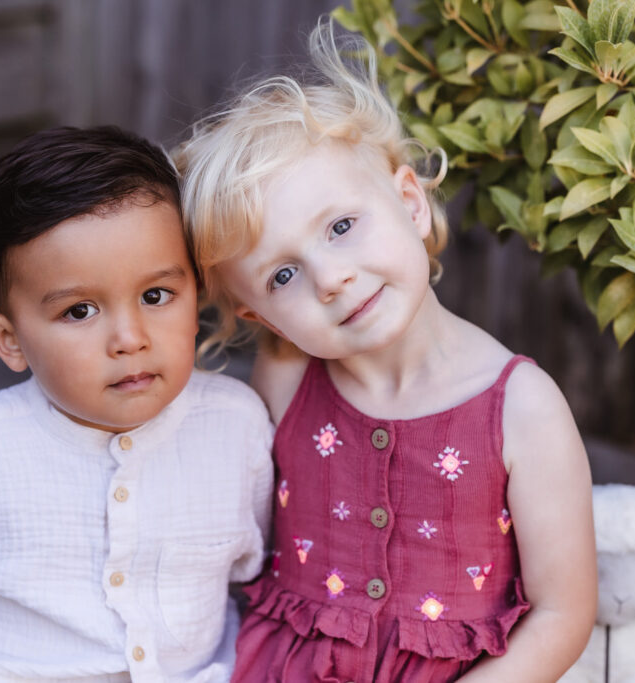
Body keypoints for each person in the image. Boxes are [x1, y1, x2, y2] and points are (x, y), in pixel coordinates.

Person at [173, 22, 597, 683]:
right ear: (261, 317)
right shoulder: (285, 381)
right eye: (283, 275)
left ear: (410, 202)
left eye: (341, 227)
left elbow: (563, 614)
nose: (331, 278)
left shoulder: (521, 407)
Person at [0, 126, 274, 683]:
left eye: (156, 296)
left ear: (197, 294)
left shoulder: (237, 426)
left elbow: (267, 582)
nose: (129, 337)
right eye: (79, 311)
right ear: (10, 340)